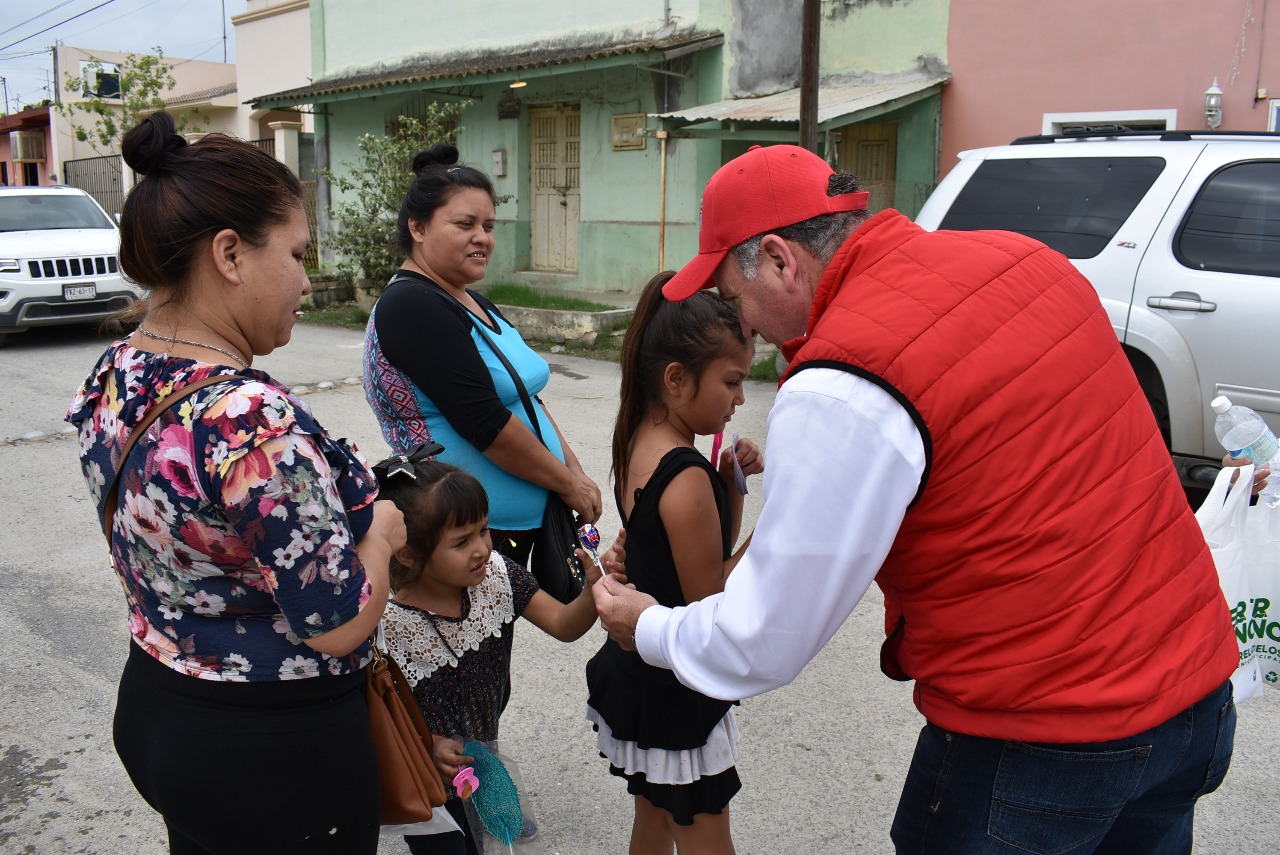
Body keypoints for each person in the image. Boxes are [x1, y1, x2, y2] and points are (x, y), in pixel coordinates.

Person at [593, 144, 1239, 854]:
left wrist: (647, 626)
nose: (745, 326)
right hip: (1193, 694)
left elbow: (765, 636)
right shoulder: (1029, 261)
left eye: (735, 298)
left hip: (1042, 735)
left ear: (780, 259)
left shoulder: (845, 374)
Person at [66, 112, 406, 854]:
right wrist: (381, 531)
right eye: (295, 253)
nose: (307, 281)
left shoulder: (118, 370)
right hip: (275, 750)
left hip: (163, 707)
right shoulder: (245, 415)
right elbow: (339, 620)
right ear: (230, 253)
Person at [585, 271, 763, 855]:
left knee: (654, 821)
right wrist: (772, 543)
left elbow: (691, 552)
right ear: (676, 378)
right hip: (677, 682)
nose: (741, 398)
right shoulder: (684, 476)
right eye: (732, 381)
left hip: (642, 670)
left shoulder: (641, 437)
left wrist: (730, 485)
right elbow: (711, 595)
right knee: (706, 835)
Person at [364, 143, 602, 570]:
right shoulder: (411, 305)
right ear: (417, 228)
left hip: (513, 522)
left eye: (489, 226)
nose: (482, 237)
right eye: (465, 223)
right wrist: (566, 482)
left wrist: (576, 472)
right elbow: (485, 423)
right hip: (460, 533)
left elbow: (527, 400)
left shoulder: (471, 300)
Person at [372, 446, 620, 855]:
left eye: (484, 531)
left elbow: (563, 624)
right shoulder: (390, 624)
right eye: (461, 541)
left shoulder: (496, 579)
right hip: (429, 777)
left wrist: (594, 591)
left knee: (496, 844)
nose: (482, 549)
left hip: (484, 757)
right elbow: (382, 714)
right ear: (409, 554)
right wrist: (427, 744)